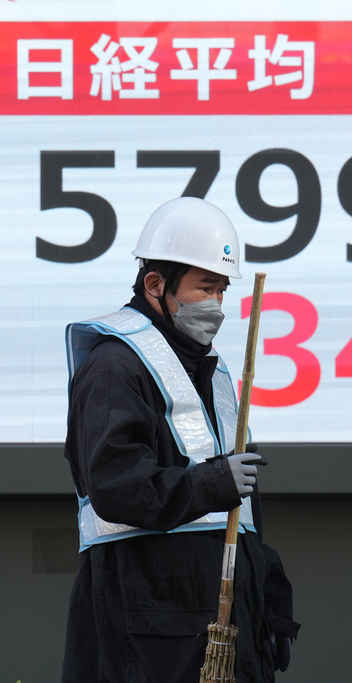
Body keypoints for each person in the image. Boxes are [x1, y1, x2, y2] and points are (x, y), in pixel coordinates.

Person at [62, 197, 298, 682]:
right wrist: (210, 484)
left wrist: (268, 597)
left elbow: (235, 518)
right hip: (151, 633)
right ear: (155, 285)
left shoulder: (211, 372)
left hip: (215, 626)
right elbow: (117, 485)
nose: (217, 305)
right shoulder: (113, 367)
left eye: (222, 289)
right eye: (205, 287)